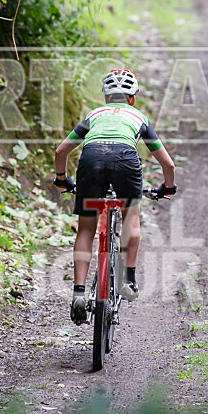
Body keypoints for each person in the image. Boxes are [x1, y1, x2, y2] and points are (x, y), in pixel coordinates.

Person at [53, 69, 177, 325]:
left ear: (106, 96)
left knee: (86, 228)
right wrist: (168, 187)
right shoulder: (139, 117)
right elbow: (168, 165)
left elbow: (61, 150)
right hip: (125, 159)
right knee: (131, 214)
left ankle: (78, 293)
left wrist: (62, 178)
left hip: (91, 160)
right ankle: (127, 279)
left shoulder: (93, 115)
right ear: (133, 97)